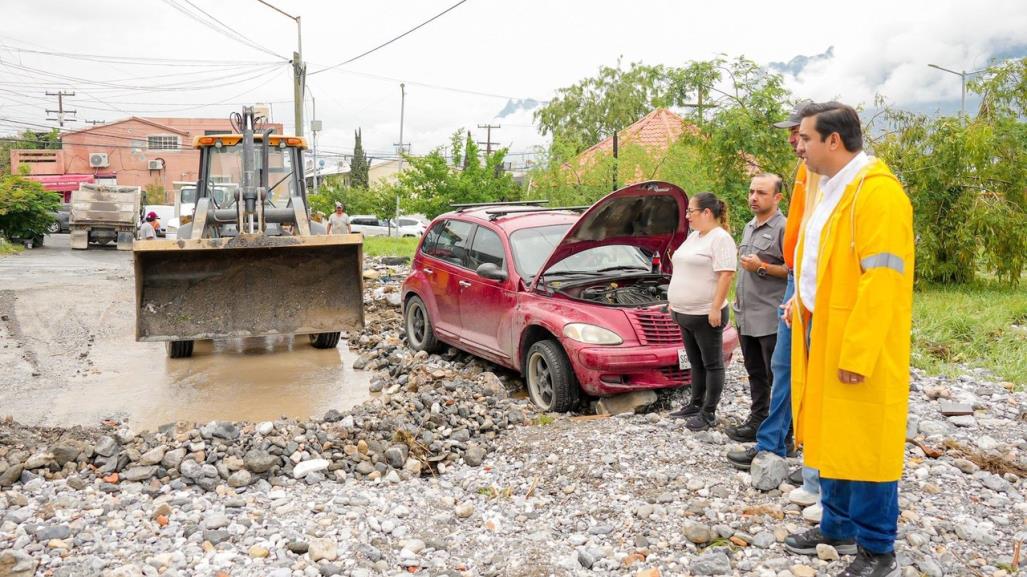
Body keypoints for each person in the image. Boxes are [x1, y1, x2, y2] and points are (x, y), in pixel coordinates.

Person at [781, 101, 914, 577]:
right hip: (824, 326)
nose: (799, 145)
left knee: (866, 438)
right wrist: (803, 301)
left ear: (833, 141)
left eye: (806, 139)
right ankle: (836, 524)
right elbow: (825, 261)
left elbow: (883, 280)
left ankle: (878, 547)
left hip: (858, 337)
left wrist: (858, 349)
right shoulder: (834, 188)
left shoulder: (877, 194)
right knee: (827, 429)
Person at [726, 102, 824, 517]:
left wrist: (783, 280)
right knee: (780, 373)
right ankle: (776, 444)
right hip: (792, 292)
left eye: (800, 134)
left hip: (797, 293)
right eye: (793, 135)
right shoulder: (809, 176)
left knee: (791, 373)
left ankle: (808, 461)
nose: (793, 141)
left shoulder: (830, 180)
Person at [667, 192, 737, 432]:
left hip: (706, 313)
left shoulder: (720, 239)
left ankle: (708, 413)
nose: (687, 217)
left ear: (707, 213)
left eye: (691, 212)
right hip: (684, 313)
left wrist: (716, 307)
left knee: (712, 364)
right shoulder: (695, 237)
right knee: (695, 363)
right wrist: (674, 301)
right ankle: (695, 404)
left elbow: (726, 274)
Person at [726, 173, 788, 443]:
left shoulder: (785, 228)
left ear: (777, 197)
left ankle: (785, 431)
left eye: (761, 193)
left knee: (778, 377)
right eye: (751, 191)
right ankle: (758, 420)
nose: (753, 197)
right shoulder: (749, 226)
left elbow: (793, 271)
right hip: (746, 316)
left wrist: (761, 267)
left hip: (771, 317)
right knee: (755, 374)